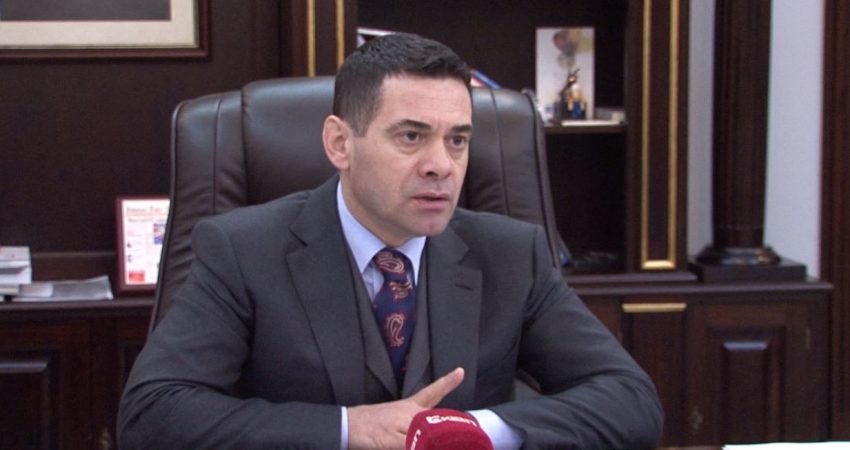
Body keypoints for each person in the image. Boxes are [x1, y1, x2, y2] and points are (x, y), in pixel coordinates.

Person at [117, 33, 663, 449]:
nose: (441, 165)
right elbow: (152, 413)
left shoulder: (511, 254)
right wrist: (348, 428)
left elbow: (631, 400)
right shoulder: (242, 251)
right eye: (411, 136)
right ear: (339, 143)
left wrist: (475, 431)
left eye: (457, 141)